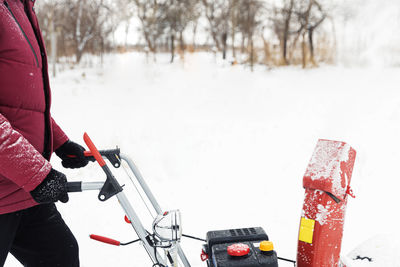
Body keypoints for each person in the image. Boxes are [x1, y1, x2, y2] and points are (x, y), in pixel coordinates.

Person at [0, 0, 89, 266]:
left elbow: (19, 103)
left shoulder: (20, 7)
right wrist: (36, 174)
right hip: (15, 186)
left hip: (21, 192)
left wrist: (59, 141)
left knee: (61, 255)